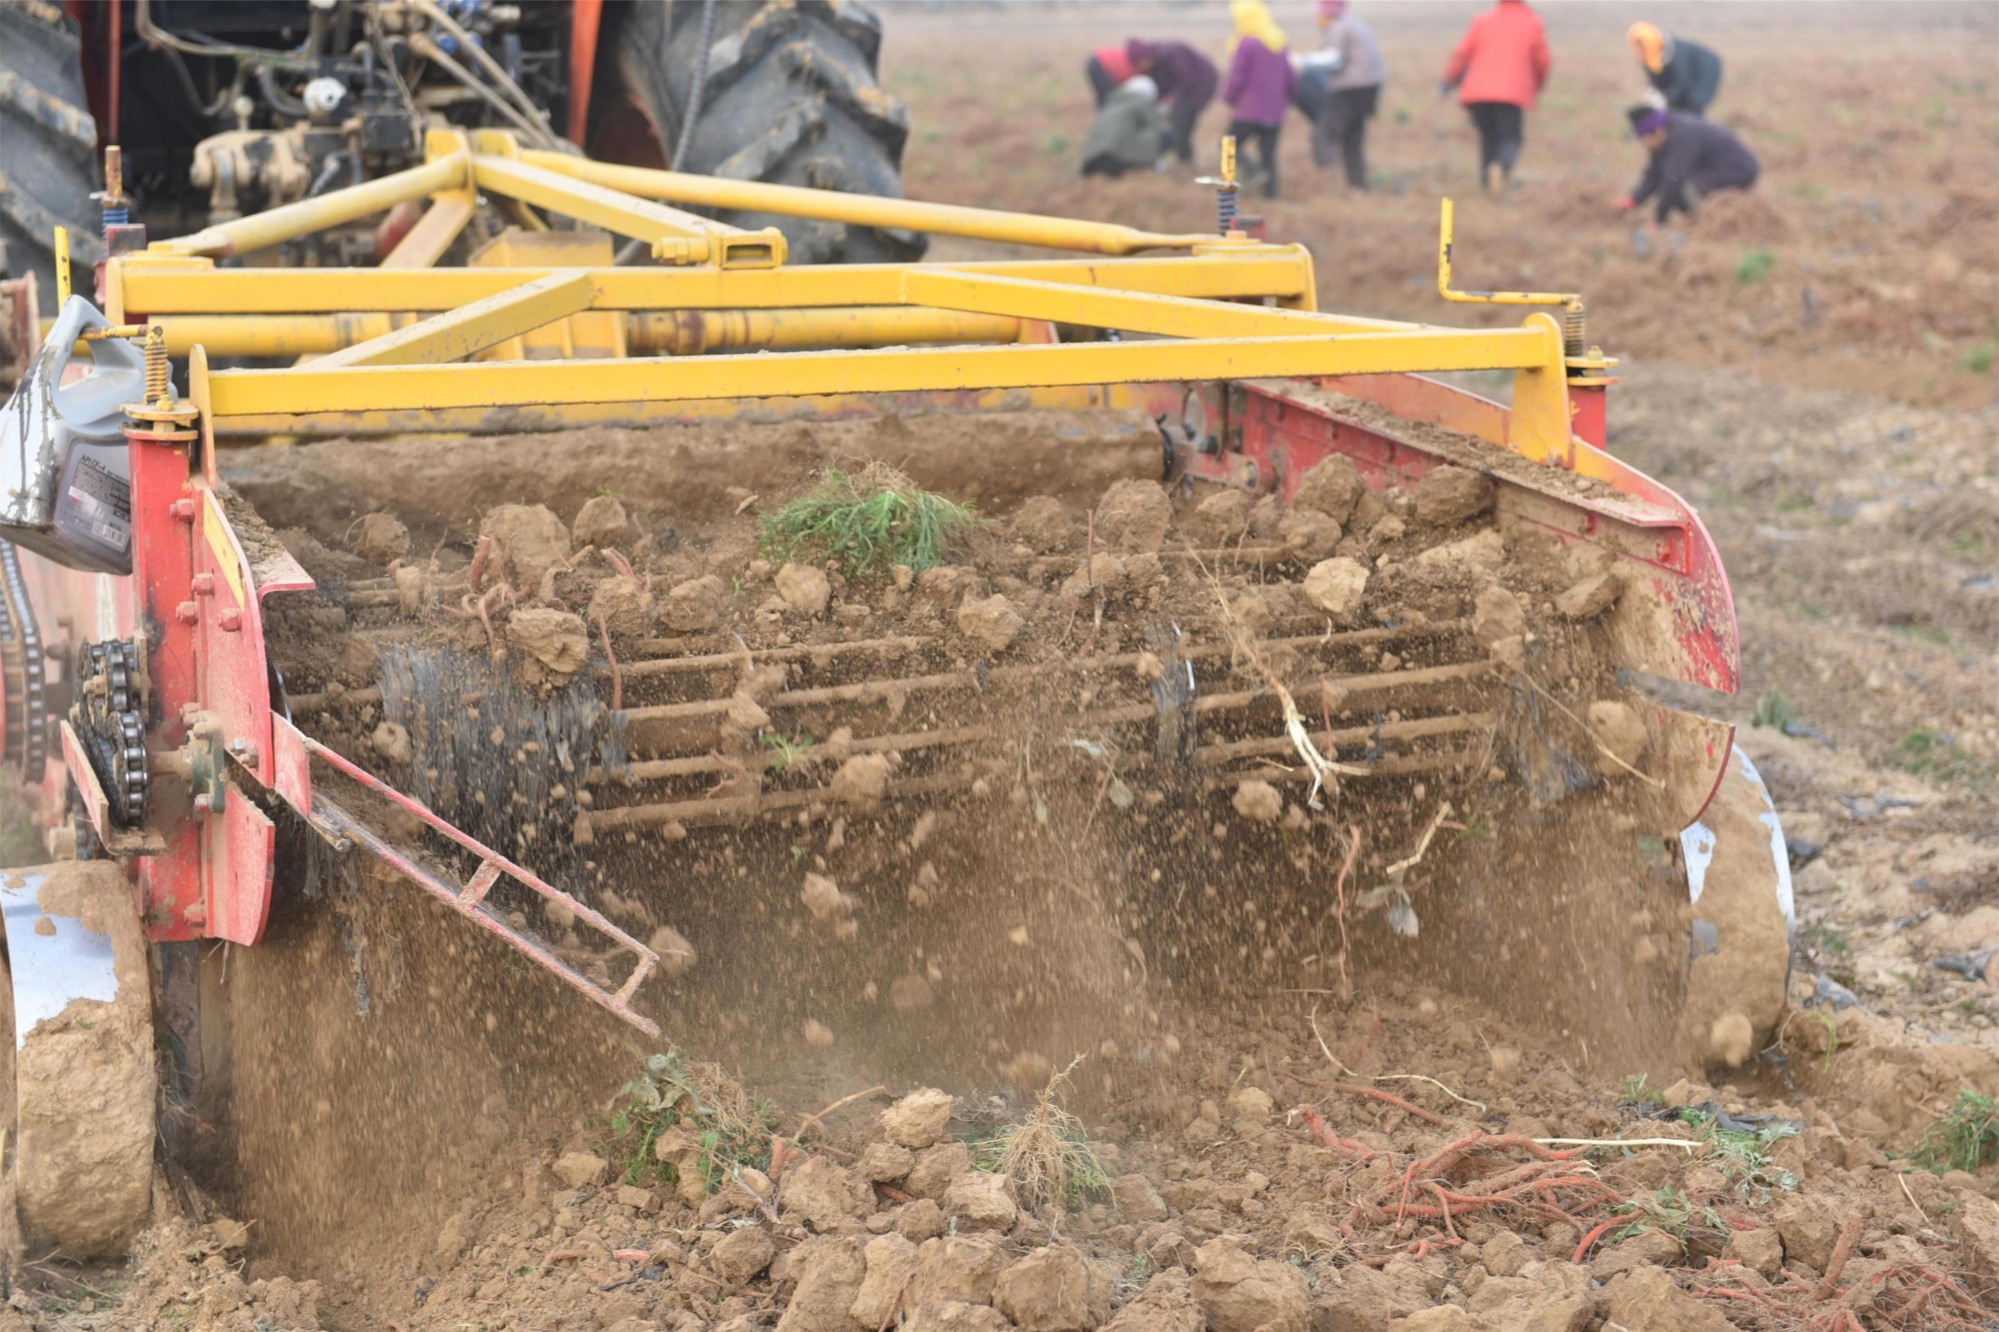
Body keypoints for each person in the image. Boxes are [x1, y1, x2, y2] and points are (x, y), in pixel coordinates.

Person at [1441, 0, 1550, 194]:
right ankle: (1500, 168)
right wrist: (1537, 86)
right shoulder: (1532, 22)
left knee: (1488, 138)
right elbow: (1542, 60)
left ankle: (1487, 186)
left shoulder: (1482, 20)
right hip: (1511, 93)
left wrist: (1448, 81)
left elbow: (1462, 53)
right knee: (1510, 138)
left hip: (1478, 93)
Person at [1615, 105, 1758, 223]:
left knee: (1681, 191)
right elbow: (1654, 173)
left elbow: (1673, 179)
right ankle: (1705, 218)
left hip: (1738, 170)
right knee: (1677, 189)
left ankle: (1709, 221)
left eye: (1644, 140)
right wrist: (1633, 200)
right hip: (1715, 169)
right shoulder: (1664, 133)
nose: (1644, 145)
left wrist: (1659, 218)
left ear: (1656, 132)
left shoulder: (1682, 135)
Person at [1221, 0, 1295, 199]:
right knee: (1268, 154)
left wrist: (1228, 97)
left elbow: (1237, 76)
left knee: (1227, 146)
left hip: (1249, 109)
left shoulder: (1246, 42)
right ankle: (1270, 197)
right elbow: (1290, 77)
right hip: (1275, 111)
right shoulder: (1278, 40)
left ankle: (1241, 182)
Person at [1308, 0, 1385, 190]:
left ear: (1327, 14)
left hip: (1350, 89)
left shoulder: (1338, 28)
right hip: (1370, 88)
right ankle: (1358, 185)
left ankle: (1326, 180)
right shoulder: (1356, 25)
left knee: (1322, 135)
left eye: (1319, 14)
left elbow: (1334, 61)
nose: (1317, 18)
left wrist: (1304, 63)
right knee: (1352, 138)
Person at [1127, 39, 1218, 166]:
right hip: (1184, 90)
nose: (1142, 66)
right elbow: (1163, 85)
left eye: (1142, 62)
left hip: (1201, 84)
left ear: (1146, 56)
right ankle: (1182, 158)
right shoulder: (1152, 66)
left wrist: (1171, 100)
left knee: (1183, 121)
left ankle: (1185, 161)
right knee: (1177, 122)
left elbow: (1187, 79)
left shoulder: (1172, 53)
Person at [1627, 23, 1723, 116]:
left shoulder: (1677, 54)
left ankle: (1693, 128)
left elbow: (1683, 81)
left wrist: (1665, 99)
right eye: (1639, 45)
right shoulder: (1645, 54)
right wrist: (1654, 94)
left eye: (1642, 44)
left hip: (1706, 70)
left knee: (1693, 103)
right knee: (1674, 107)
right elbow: (1655, 78)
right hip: (1685, 75)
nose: (1641, 47)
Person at [1081, 76, 1167, 179]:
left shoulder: (1111, 102)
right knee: (1166, 137)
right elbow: (1153, 128)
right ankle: (1148, 164)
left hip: (1091, 162)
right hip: (1115, 160)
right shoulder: (1141, 102)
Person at [1084, 43, 1136, 108]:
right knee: (1107, 98)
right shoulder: (1133, 71)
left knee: (1106, 98)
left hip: (1097, 60)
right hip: (1099, 64)